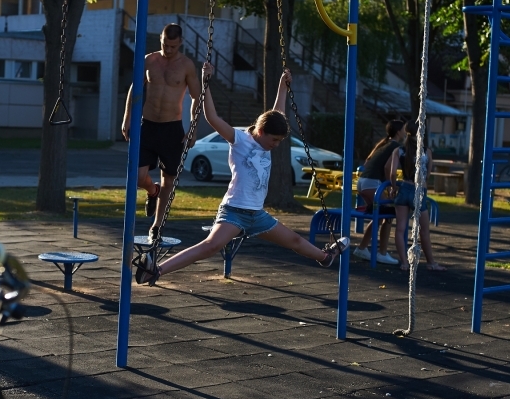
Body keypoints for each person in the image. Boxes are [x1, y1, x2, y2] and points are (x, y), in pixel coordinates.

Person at [135, 63, 350, 285]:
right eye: (274, 140)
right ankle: (157, 270)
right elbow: (212, 118)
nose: (276, 145)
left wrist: (283, 87)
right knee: (211, 245)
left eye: (279, 141)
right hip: (234, 212)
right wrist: (206, 83)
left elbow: (278, 112)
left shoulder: (268, 137)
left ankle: (326, 257)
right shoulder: (240, 140)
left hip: (257, 214)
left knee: (295, 240)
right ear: (260, 131)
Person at [122, 23, 202, 242]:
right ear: (161, 40)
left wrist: (193, 127)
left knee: (169, 180)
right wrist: (127, 117)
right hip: (147, 125)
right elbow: (135, 87)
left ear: (180, 43)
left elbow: (197, 97)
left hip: (171, 128)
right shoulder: (149, 60)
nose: (168, 50)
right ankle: (151, 191)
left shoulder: (186, 65)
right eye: (165, 45)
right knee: (138, 177)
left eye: (173, 47)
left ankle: (156, 226)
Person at [388, 122, 446, 272]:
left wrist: (393, 188)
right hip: (419, 190)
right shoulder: (426, 152)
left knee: (400, 229)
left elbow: (393, 173)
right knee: (424, 230)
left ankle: (404, 263)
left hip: (404, 189)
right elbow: (427, 174)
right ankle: (431, 262)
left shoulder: (399, 151)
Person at [352, 120, 407, 265]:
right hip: (372, 183)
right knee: (388, 214)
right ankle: (381, 252)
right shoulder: (396, 146)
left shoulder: (384, 144)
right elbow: (388, 168)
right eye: (403, 129)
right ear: (398, 132)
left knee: (380, 216)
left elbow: (369, 163)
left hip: (364, 182)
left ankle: (363, 248)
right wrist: (391, 187)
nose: (405, 132)